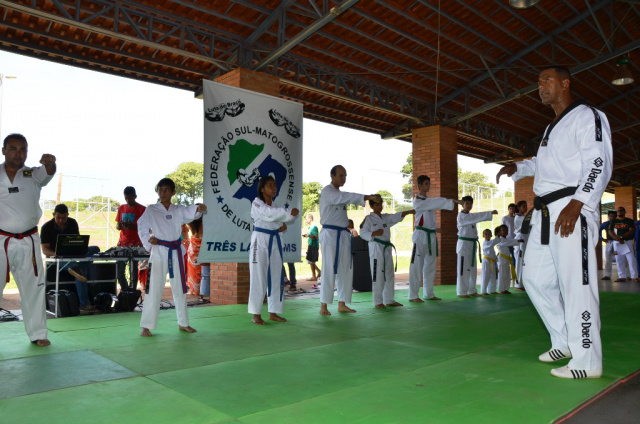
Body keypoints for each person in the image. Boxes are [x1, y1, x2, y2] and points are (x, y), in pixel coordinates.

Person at [496, 66, 612, 379]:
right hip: (545, 212)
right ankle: (564, 340)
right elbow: (546, 164)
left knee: (577, 286)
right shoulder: (552, 127)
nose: (540, 86)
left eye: (546, 80)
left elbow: (599, 161)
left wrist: (579, 203)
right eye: (537, 81)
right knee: (532, 278)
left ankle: (587, 362)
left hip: (572, 206)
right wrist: (517, 168)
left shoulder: (588, 115)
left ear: (565, 83)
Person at [0, 133, 56, 346]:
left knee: (33, 287)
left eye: (23, 149)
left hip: (29, 240)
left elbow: (48, 172)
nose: (18, 153)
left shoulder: (32, 174)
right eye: (13, 148)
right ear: (3, 150)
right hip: (1, 240)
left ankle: (38, 333)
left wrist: (51, 163)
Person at [137, 178, 206, 337]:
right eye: (160, 189)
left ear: (173, 192)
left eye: (167, 189)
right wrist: (149, 242)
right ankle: (146, 326)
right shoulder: (152, 209)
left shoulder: (178, 209)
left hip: (175, 251)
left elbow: (192, 213)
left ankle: (183, 323)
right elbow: (142, 226)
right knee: (153, 288)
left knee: (180, 288)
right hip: (159, 251)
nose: (163, 193)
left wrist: (199, 208)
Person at [319, 165, 381, 316]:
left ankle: (342, 303)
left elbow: (344, 197)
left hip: (343, 234)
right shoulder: (327, 191)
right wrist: (367, 197)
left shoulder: (339, 193)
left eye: (345, 176)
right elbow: (344, 197)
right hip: (330, 234)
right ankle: (323, 306)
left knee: (346, 269)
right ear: (332, 176)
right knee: (329, 268)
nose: (343, 178)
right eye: (341, 175)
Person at [248, 176, 298, 324]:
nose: (274, 187)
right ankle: (256, 314)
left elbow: (284, 221)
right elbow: (268, 215)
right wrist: (286, 215)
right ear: (262, 189)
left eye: (275, 185)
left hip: (275, 241)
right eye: (270, 185)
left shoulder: (276, 207)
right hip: (260, 241)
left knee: (277, 276)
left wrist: (283, 222)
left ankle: (273, 312)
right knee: (258, 277)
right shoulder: (256, 203)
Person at [408, 175, 461, 302]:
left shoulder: (428, 202)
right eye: (426, 184)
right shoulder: (419, 201)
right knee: (416, 266)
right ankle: (413, 295)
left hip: (431, 236)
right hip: (420, 237)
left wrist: (435, 229)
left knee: (430, 266)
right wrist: (452, 201)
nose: (428, 186)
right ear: (419, 185)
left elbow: (427, 218)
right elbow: (435, 202)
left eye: (429, 184)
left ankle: (429, 293)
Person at [359, 198, 414, 308]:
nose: (380, 206)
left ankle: (389, 299)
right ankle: (378, 301)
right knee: (377, 274)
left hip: (386, 248)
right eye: (377, 204)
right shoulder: (368, 219)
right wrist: (374, 233)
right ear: (373, 206)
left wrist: (409, 212)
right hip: (376, 248)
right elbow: (362, 232)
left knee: (389, 273)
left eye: (381, 204)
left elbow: (396, 216)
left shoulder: (385, 217)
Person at [40, 204, 93, 312]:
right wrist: (57, 254)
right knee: (78, 268)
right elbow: (45, 250)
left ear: (67, 215)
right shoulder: (46, 227)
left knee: (94, 249)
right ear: (53, 214)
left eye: (64, 218)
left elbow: (77, 241)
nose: (61, 220)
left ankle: (79, 268)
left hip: (73, 254)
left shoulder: (73, 223)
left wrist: (79, 250)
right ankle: (84, 304)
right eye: (58, 217)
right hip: (56, 259)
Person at [456, 195, 497, 298]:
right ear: (462, 204)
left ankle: (472, 290)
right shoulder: (462, 216)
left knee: (472, 269)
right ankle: (461, 292)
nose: (469, 205)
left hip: (472, 245)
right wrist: (489, 213)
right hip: (464, 245)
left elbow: (474, 218)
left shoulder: (470, 217)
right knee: (463, 269)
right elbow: (475, 217)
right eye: (467, 203)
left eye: (470, 203)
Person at [115, 186, 146, 290]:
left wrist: (131, 226)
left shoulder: (142, 209)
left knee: (133, 271)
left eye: (130, 198)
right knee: (119, 271)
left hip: (135, 245)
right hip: (122, 244)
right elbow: (117, 226)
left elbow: (145, 228)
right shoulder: (121, 208)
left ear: (135, 196)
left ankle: (132, 292)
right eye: (126, 198)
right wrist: (119, 225)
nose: (128, 201)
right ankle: (125, 291)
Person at [608, 206, 638, 282]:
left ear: (625, 212)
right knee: (619, 259)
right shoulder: (613, 222)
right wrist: (617, 238)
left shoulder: (629, 221)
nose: (619, 212)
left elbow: (632, 230)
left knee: (631, 259)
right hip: (617, 243)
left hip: (627, 242)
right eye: (618, 211)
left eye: (621, 211)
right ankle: (622, 276)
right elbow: (610, 231)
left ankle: (634, 276)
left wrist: (621, 237)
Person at [186, 215, 210, 300]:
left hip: (192, 251)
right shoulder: (203, 225)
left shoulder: (191, 224)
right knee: (201, 271)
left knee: (193, 271)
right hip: (200, 250)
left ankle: (194, 290)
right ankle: (201, 290)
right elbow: (203, 238)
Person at [496, 224, 522, 294]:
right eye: (503, 230)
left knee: (507, 274)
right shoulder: (499, 239)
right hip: (502, 259)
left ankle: (506, 289)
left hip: (507, 259)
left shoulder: (506, 239)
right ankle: (501, 289)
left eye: (506, 230)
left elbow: (506, 245)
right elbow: (507, 243)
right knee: (502, 275)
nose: (505, 231)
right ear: (500, 232)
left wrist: (509, 250)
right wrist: (518, 241)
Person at [513, 200, 528, 290]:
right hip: (520, 241)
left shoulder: (523, 217)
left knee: (522, 263)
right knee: (519, 264)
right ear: (518, 208)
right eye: (523, 206)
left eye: (526, 206)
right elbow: (529, 222)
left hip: (524, 240)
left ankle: (521, 283)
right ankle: (518, 285)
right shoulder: (518, 217)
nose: (525, 208)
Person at [302, 214, 321, 282]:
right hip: (311, 245)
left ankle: (314, 275)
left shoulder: (314, 227)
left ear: (310, 219)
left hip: (313, 245)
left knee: (311, 261)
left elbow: (315, 236)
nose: (305, 220)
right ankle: (318, 272)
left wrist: (308, 235)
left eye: (306, 219)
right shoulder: (310, 227)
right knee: (310, 261)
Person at [480, 228, 499, 295]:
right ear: (483, 236)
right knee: (485, 276)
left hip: (492, 261)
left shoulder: (490, 243)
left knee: (493, 276)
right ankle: (483, 291)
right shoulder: (485, 243)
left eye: (489, 234)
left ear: (491, 235)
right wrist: (497, 237)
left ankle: (492, 290)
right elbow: (492, 243)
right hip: (486, 261)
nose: (487, 235)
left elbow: (492, 251)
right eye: (486, 234)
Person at [600, 210, 617, 281]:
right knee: (608, 259)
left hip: (618, 242)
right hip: (609, 242)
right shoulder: (605, 224)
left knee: (621, 258)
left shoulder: (618, 223)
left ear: (616, 216)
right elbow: (598, 231)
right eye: (611, 216)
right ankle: (607, 275)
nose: (612, 217)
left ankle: (624, 275)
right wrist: (602, 239)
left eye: (614, 216)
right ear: (608, 216)